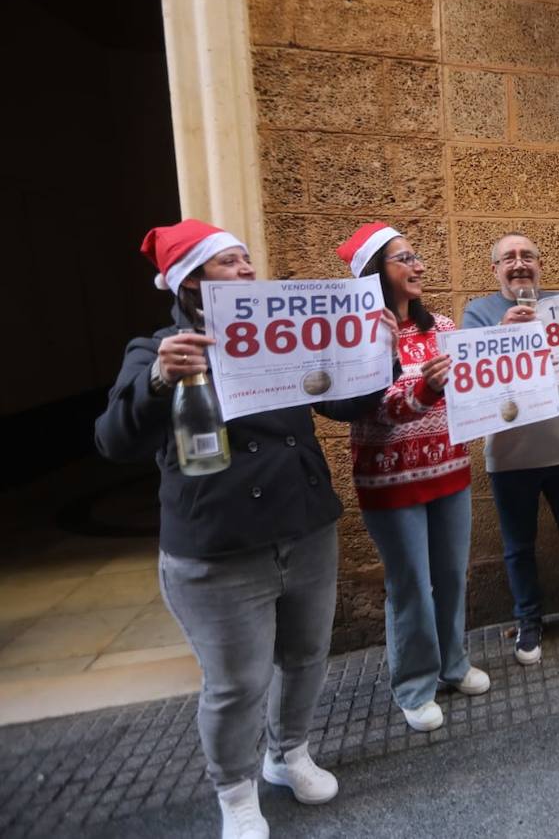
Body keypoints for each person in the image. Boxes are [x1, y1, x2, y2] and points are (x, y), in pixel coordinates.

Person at [95, 219, 391, 839]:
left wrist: (374, 354)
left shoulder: (280, 337)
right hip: (219, 552)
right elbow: (114, 441)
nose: (247, 270)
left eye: (246, 259)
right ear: (191, 284)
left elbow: (342, 402)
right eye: (229, 262)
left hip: (305, 529)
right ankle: (234, 790)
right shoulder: (157, 350)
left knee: (307, 656)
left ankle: (288, 754)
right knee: (236, 683)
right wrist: (157, 384)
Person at [335, 222, 487, 734]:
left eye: (416, 256)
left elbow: (476, 383)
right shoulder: (358, 336)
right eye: (405, 258)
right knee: (411, 587)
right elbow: (375, 409)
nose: (418, 265)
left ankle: (454, 664)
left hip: (451, 472)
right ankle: (415, 686)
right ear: (376, 273)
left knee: (450, 576)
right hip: (391, 481)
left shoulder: (441, 324)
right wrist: (424, 391)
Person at [461, 233, 559, 664]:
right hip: (510, 455)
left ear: (540, 263)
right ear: (494, 268)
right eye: (508, 257)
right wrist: (501, 332)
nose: (519, 264)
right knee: (518, 546)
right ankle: (528, 621)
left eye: (527, 256)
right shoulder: (478, 311)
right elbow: (469, 371)